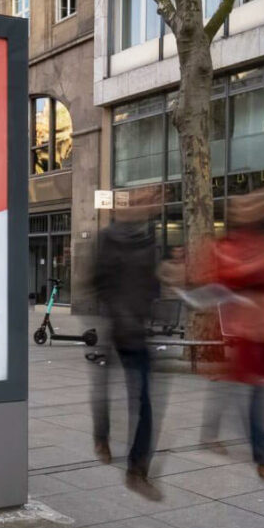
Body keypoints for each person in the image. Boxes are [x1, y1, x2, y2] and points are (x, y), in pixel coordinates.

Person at [202, 188, 264, 485]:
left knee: (249, 388)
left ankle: (228, 440)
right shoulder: (226, 246)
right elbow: (225, 278)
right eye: (243, 207)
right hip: (241, 328)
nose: (250, 212)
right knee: (246, 388)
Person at [91, 194, 161, 494]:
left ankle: (137, 470)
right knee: (104, 388)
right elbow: (96, 280)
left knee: (144, 400)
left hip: (138, 329)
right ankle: (102, 436)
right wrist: (118, 313)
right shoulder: (107, 238)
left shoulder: (149, 243)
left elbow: (152, 283)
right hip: (117, 326)